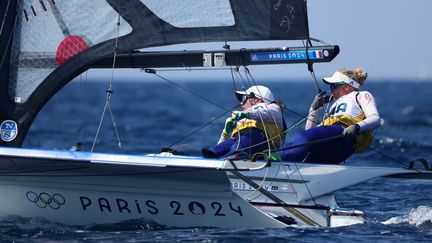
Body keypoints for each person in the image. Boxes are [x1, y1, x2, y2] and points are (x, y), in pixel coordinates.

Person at [277, 68, 381, 164]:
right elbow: (309, 131)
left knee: (301, 138)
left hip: (345, 136)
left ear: (347, 87)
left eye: (334, 86)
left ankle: (271, 158)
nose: (331, 90)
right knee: (302, 152)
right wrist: (314, 109)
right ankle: (270, 159)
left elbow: (376, 119)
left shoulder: (360, 95)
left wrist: (356, 127)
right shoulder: (332, 107)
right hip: (332, 145)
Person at [202, 85, 285, 158]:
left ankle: (233, 155)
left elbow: (262, 112)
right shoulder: (244, 118)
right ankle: (215, 154)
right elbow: (224, 143)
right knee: (221, 148)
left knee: (239, 146)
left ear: (257, 100)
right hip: (240, 141)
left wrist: (246, 114)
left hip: (259, 140)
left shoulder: (274, 109)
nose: (241, 103)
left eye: (243, 98)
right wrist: (225, 133)